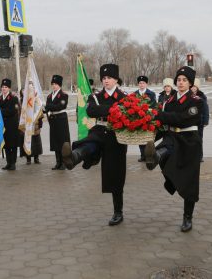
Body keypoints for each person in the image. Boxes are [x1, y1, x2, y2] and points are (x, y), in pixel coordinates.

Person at [62, 64, 127, 226]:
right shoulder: (96, 96)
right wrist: (114, 109)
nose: (106, 81)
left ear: (116, 79)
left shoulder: (125, 97)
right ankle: (73, 157)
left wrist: (104, 109)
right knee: (91, 143)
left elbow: (126, 111)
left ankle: (118, 211)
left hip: (117, 134)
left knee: (116, 174)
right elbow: (91, 111)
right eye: (104, 78)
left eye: (109, 78)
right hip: (100, 129)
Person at [144, 66, 203, 232]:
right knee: (165, 148)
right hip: (172, 138)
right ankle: (154, 156)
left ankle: (187, 217)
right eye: (179, 80)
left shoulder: (196, 101)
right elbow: (164, 123)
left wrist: (160, 115)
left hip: (189, 142)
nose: (181, 83)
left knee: (190, 183)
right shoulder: (169, 101)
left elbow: (183, 119)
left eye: (184, 80)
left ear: (190, 83)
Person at [44, 75, 70, 170]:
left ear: (60, 85)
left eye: (56, 84)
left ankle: (63, 162)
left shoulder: (64, 95)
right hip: (53, 119)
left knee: (62, 141)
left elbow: (60, 106)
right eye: (53, 84)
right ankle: (58, 162)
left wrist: (49, 106)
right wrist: (46, 108)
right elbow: (47, 107)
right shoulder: (50, 96)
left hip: (61, 119)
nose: (54, 86)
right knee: (55, 141)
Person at [134, 75, 157, 162]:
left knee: (148, 138)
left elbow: (154, 106)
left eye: (143, 83)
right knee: (140, 137)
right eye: (140, 83)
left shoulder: (151, 93)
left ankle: (149, 156)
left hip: (148, 118)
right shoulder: (135, 94)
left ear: (146, 84)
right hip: (138, 118)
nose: (141, 85)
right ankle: (142, 155)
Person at [0, 78, 20, 171]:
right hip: (3, 125)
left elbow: (12, 111)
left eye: (6, 87)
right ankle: (8, 162)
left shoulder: (14, 98)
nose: (4, 89)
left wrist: (1, 111)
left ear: (9, 88)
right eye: (2, 87)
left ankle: (13, 163)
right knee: (6, 144)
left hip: (12, 125)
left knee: (13, 145)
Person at [191, 78, 209, 162]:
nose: (193, 88)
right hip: (190, 121)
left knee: (199, 139)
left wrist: (205, 121)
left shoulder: (202, 96)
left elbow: (206, 109)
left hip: (200, 121)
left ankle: (199, 156)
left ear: (197, 88)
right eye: (192, 86)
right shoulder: (187, 95)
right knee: (191, 139)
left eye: (195, 86)